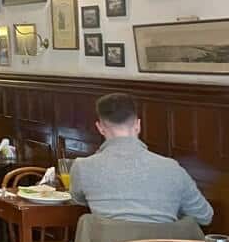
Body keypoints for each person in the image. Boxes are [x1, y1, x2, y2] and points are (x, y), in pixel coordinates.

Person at [70, 93, 212, 224]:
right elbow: (204, 216)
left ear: (100, 128)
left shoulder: (83, 167)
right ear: (138, 125)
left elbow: (79, 200)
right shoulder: (172, 168)